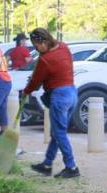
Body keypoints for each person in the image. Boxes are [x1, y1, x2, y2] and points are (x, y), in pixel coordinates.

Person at [22, 28, 80, 179]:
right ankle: (47, 164)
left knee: (60, 133)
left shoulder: (45, 60)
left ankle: (71, 167)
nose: (36, 49)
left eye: (36, 46)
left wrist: (26, 91)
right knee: (57, 132)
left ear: (44, 42)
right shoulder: (63, 47)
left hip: (59, 96)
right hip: (72, 93)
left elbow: (35, 82)